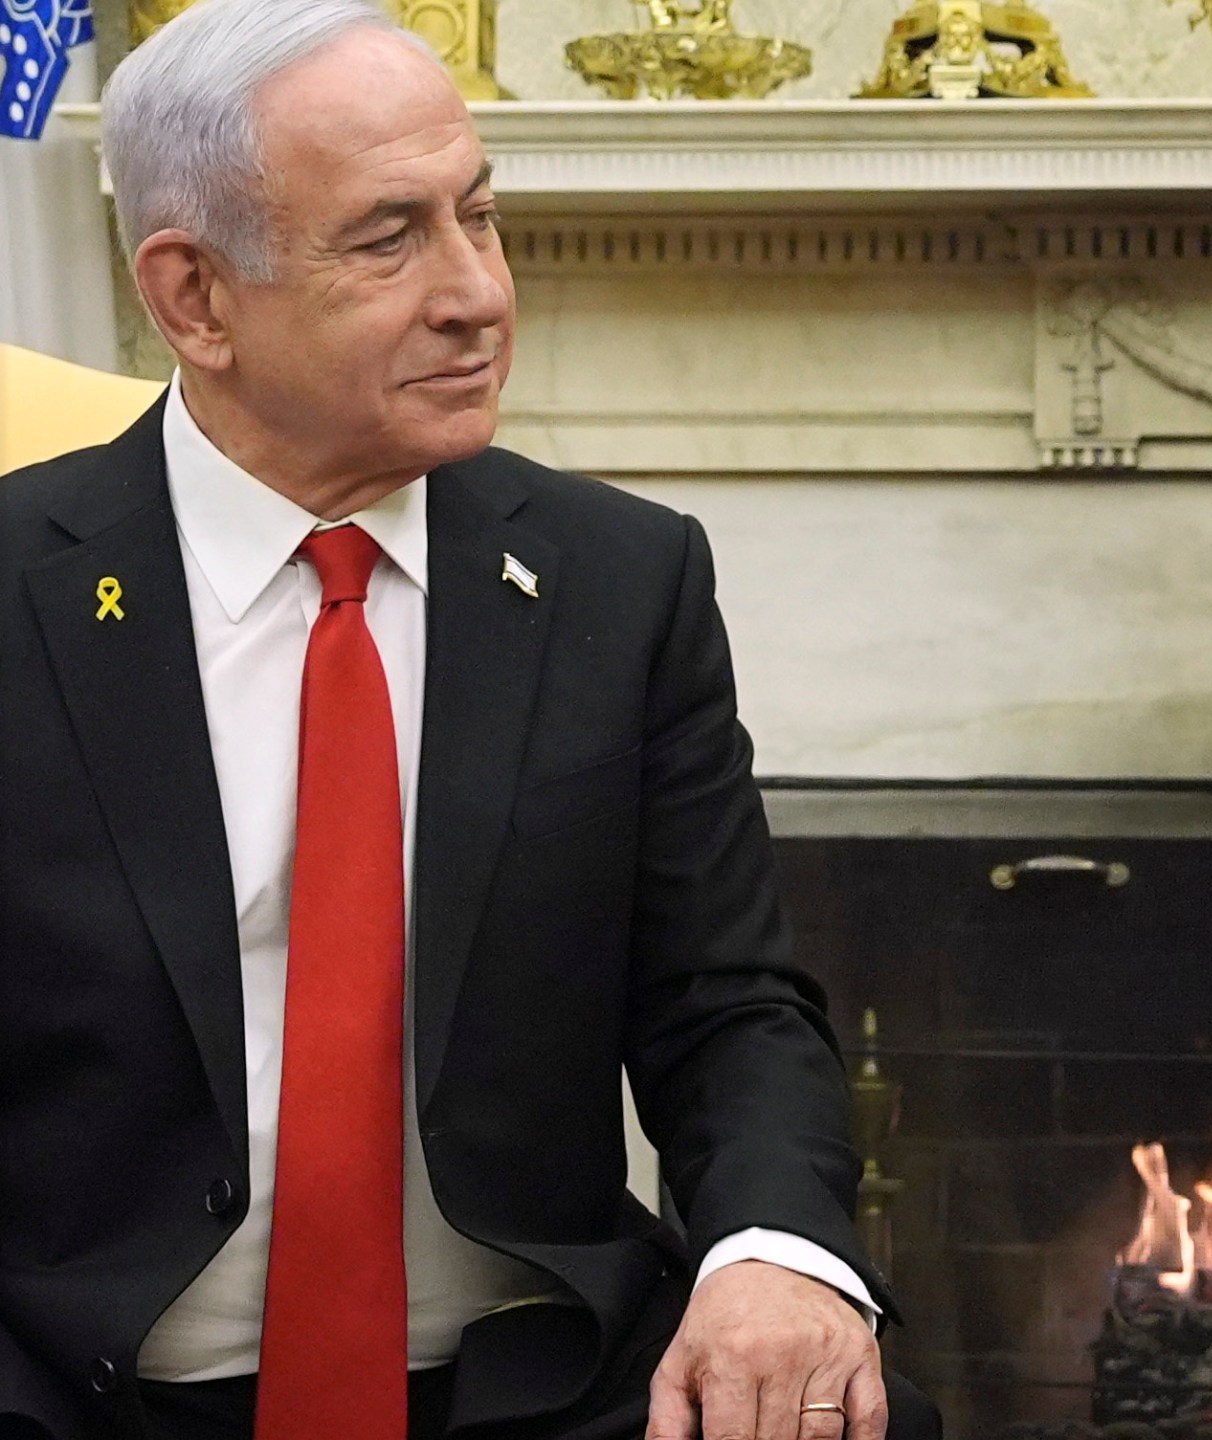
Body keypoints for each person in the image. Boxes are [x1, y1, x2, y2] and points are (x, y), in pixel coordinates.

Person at [0, 1, 939, 1437]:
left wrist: (774, 1259)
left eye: (480, 218)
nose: (476, 293)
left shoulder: (620, 582)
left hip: (535, 1380)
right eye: (390, 239)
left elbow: (723, 1005)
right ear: (195, 297)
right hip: (73, 1389)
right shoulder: (17, 592)